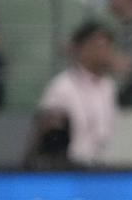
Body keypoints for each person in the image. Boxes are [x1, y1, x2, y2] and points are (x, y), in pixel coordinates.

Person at [28, 20, 117, 168]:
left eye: (108, 46)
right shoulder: (62, 86)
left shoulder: (108, 86)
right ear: (81, 48)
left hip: (100, 165)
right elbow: (47, 130)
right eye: (98, 46)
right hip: (69, 166)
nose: (104, 51)